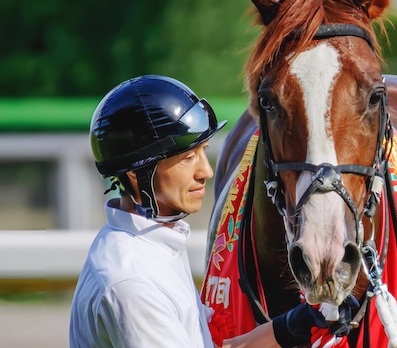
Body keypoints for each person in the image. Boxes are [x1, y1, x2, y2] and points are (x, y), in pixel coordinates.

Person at [69, 75, 351, 348]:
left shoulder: (152, 244)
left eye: (203, 151)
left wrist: (292, 326)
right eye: (187, 158)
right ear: (135, 174)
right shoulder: (133, 282)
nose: (206, 171)